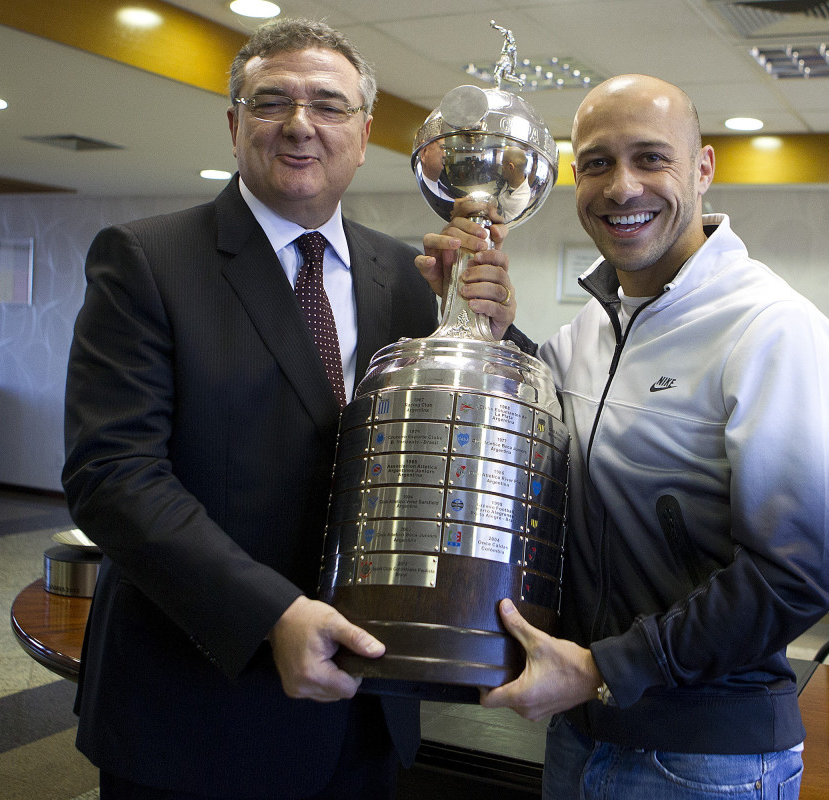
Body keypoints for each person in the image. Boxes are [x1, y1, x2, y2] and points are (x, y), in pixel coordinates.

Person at [63, 17, 512, 800]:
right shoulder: (146, 260)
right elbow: (112, 476)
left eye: (329, 106)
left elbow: (463, 448)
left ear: (365, 132)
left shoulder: (410, 278)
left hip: (365, 707)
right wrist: (274, 615)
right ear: (236, 125)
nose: (301, 124)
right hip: (195, 707)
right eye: (273, 102)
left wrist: (492, 335)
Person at [421, 74, 829, 798]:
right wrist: (490, 333)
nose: (622, 187)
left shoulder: (774, 329)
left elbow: (795, 575)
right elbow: (551, 449)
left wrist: (603, 670)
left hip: (702, 760)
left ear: (704, 169)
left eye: (650, 158)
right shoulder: (593, 325)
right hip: (583, 733)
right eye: (596, 163)